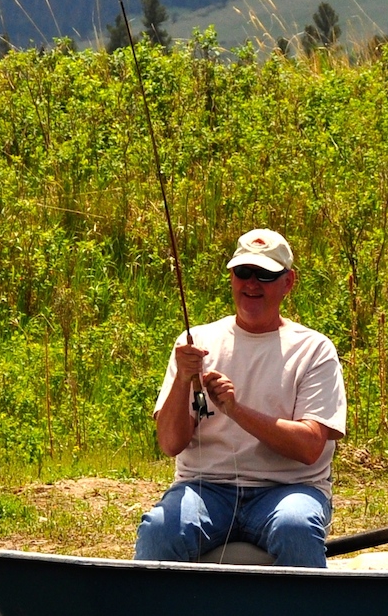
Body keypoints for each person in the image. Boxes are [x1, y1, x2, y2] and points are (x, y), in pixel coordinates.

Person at [135, 229, 347, 568]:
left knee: (296, 526)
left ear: (288, 282)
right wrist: (182, 382)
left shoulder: (314, 349)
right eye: (243, 272)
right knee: (160, 529)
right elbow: (171, 442)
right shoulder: (197, 342)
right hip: (206, 489)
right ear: (232, 276)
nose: (252, 284)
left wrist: (236, 411)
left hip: (289, 490)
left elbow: (310, 447)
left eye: (265, 275)